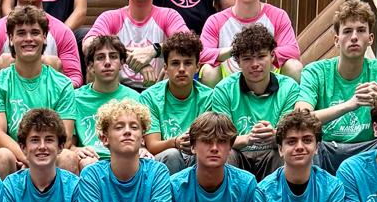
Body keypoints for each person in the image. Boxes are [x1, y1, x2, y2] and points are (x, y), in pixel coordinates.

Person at [296, 0, 377, 171]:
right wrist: (350, 105)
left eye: (361, 30)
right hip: (327, 148)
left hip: (370, 148)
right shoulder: (315, 71)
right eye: (347, 31)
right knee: (306, 142)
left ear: (370, 39)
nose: (354, 37)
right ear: (336, 40)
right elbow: (299, 118)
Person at [0, 4, 78, 177]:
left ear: (45, 37)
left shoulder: (63, 84)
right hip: (15, 156)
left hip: (50, 154)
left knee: (67, 157)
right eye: (21, 33)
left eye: (34, 32)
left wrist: (39, 158)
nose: (28, 39)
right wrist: (27, 158)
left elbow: (66, 137)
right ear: (11, 39)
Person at [205, 26, 300, 179]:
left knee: (287, 153)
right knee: (224, 154)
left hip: (273, 152)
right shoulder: (223, 90)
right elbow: (220, 139)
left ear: (272, 56)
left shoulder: (289, 88)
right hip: (238, 153)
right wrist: (248, 139)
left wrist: (276, 135)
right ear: (238, 62)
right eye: (247, 58)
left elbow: (291, 135)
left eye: (261, 56)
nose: (255, 64)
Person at [84, 0, 186, 87]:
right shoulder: (111, 17)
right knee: (92, 69)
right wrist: (132, 59)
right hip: (116, 90)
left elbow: (187, 44)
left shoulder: (169, 15)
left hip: (158, 89)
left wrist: (154, 50)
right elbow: (88, 45)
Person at [199, 0, 300, 82]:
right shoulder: (215, 21)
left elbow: (293, 51)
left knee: (294, 67)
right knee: (208, 71)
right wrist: (236, 50)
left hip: (268, 80)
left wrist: (260, 53)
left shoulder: (278, 15)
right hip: (229, 83)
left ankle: (285, 97)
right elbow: (201, 54)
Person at [143, 30, 212, 170]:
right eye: (175, 63)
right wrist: (175, 142)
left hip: (196, 156)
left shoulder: (209, 97)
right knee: (172, 155)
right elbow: (152, 146)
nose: (181, 69)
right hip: (163, 161)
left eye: (188, 63)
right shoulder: (149, 97)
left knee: (203, 154)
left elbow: (211, 142)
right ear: (165, 67)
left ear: (197, 67)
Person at [70, 35, 141, 169]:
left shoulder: (135, 98)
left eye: (113, 56)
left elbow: (143, 141)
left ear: (122, 63)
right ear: (91, 66)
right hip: (90, 161)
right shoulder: (75, 98)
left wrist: (142, 149)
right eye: (100, 57)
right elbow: (68, 144)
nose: (107, 62)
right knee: (88, 163)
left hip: (126, 159)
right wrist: (75, 150)